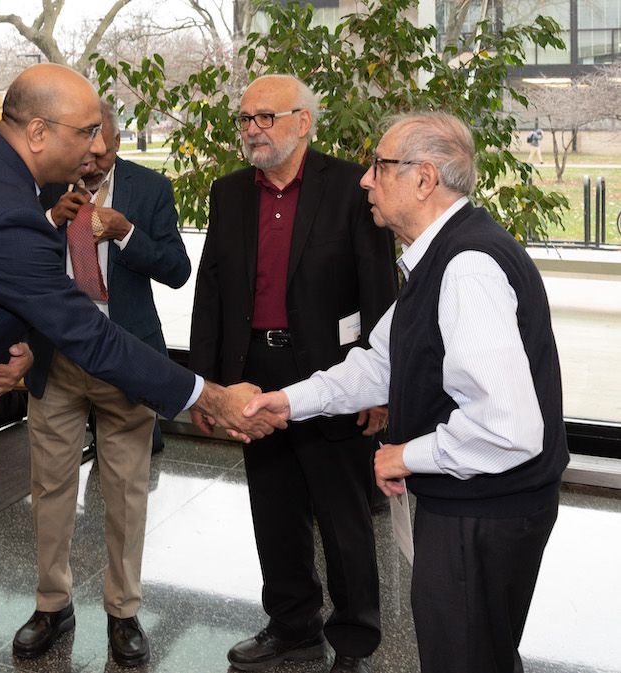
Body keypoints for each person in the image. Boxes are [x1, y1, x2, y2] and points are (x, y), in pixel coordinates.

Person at [0, 63, 283, 673]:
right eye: (86, 131)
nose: (98, 145)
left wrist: (17, 347)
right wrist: (207, 396)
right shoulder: (9, 214)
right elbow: (89, 334)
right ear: (37, 132)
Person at [244, 112, 569, 673]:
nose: (366, 180)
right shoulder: (436, 259)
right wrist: (290, 401)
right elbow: (379, 363)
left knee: (465, 657)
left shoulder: (467, 267)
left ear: (423, 179)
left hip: (485, 515)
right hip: (470, 505)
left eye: (380, 167)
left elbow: (507, 428)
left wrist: (407, 455)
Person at [189, 74, 397, 673]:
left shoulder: (352, 189)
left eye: (265, 117)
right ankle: (292, 625)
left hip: (335, 375)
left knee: (343, 516)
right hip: (254, 373)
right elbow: (212, 292)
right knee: (273, 509)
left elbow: (379, 289)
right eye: (245, 118)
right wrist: (207, 384)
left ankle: (355, 639)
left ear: (303, 122)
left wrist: (378, 386)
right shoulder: (228, 192)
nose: (252, 128)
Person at [12, 101, 192, 666]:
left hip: (126, 361)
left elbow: (178, 268)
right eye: (87, 149)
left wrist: (127, 233)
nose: (94, 161)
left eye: (104, 149)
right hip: (58, 360)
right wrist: (51, 224)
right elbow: (10, 260)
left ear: (114, 139)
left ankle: (123, 611)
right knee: (51, 488)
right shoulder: (44, 185)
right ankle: (51, 604)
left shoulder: (149, 187)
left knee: (126, 492)